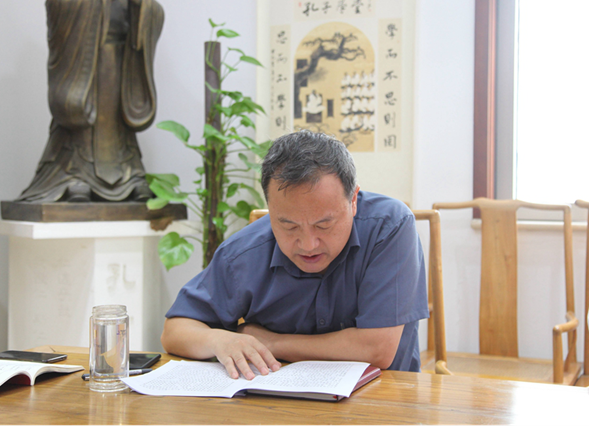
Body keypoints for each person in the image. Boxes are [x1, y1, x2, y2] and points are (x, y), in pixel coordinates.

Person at [162, 131, 428, 380]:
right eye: (288, 226)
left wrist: (271, 343)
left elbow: (377, 349)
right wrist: (219, 340)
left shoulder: (388, 227)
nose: (308, 245)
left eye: (324, 225)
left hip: (383, 398)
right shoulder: (244, 252)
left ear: (353, 200)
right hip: (279, 402)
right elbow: (175, 331)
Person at [18, 0, 164, 202]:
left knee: (117, 124)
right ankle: (74, 173)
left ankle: (129, 174)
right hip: (86, 69)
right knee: (82, 114)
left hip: (121, 67)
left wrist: (141, 7)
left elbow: (154, 11)